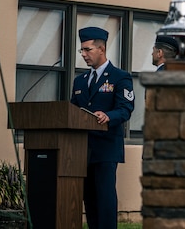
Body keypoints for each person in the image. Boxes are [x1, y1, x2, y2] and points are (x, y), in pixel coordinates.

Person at [70, 26, 134, 229]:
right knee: (89, 200)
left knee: (105, 199)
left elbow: (125, 109)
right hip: (82, 149)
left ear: (101, 49)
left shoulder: (119, 77)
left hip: (106, 149)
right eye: (82, 50)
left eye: (87, 50)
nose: (83, 55)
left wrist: (108, 116)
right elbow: (72, 110)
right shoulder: (80, 80)